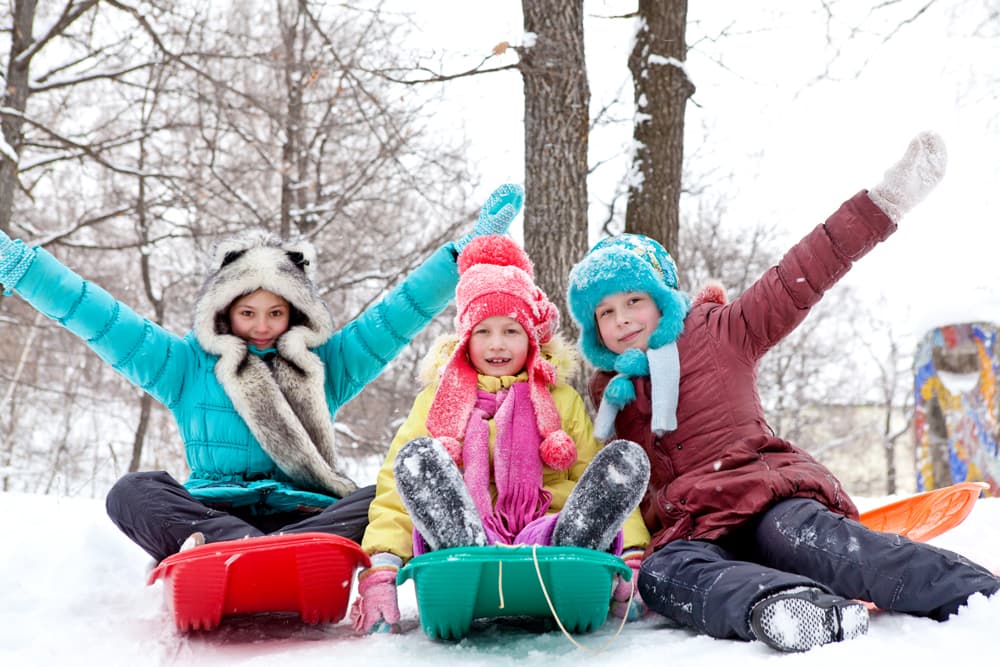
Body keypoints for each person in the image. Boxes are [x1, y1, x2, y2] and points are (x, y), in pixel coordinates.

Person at [565, 132, 1000, 653]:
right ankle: (787, 607)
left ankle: (978, 595)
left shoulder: (720, 330)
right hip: (693, 531)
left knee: (810, 542)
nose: (621, 319)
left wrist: (884, 203)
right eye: (605, 312)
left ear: (662, 300)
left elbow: (802, 271)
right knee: (665, 576)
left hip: (763, 496)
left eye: (633, 299)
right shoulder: (607, 396)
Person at [0, 184, 525, 564]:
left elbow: (395, 318)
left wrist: (463, 256)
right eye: (248, 313)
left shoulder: (321, 367)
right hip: (211, 513)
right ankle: (245, 550)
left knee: (383, 497)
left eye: (276, 313)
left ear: (295, 315)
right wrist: (24, 268)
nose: (262, 326)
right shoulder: (185, 365)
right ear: (224, 313)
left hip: (307, 516)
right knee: (131, 490)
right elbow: (99, 318)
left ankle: (270, 553)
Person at [350, 234, 651, 634]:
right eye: (483, 331)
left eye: (511, 330)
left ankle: (584, 539)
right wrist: (383, 567)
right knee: (421, 463)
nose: (497, 344)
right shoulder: (437, 402)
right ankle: (459, 537)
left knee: (602, 481)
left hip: (550, 540)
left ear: (531, 338)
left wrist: (630, 554)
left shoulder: (560, 400)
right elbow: (396, 492)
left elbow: (587, 475)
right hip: (467, 540)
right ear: (464, 339)